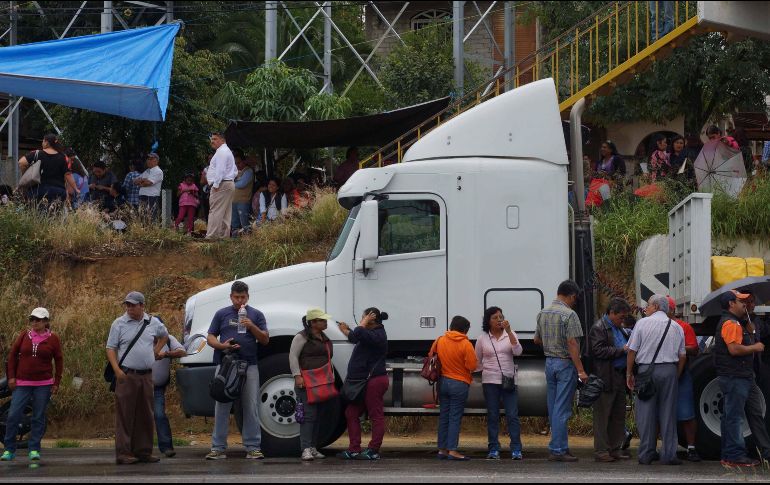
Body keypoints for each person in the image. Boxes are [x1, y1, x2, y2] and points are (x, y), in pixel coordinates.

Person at [205, 281, 269, 460]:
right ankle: (217, 448)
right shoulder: (221, 313)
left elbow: (265, 340)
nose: (239, 301)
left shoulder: (256, 314)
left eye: (243, 297)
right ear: (231, 296)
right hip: (226, 364)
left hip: (249, 365)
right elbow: (210, 336)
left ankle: (253, 447)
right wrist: (221, 345)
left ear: (248, 296)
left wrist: (251, 326)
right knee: (222, 405)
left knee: (251, 406)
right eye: (236, 297)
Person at [106, 291, 169, 465]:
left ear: (142, 306)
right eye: (127, 304)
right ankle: (124, 453)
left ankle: (143, 451)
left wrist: (155, 351)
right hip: (127, 375)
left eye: (133, 305)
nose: (129, 308)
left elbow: (164, 336)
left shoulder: (153, 322)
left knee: (146, 415)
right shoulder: (118, 324)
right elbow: (110, 348)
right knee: (125, 415)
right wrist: (117, 370)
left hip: (147, 376)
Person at [625, 294, 685, 466]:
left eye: (649, 305)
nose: (646, 308)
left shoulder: (642, 323)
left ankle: (646, 454)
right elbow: (682, 356)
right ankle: (669, 455)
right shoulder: (676, 327)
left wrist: (629, 374)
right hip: (669, 370)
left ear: (657, 307)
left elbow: (631, 351)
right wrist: (676, 374)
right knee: (668, 413)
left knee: (646, 414)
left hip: (646, 372)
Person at [534, 280, 588, 462]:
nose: (575, 302)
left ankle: (559, 447)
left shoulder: (543, 313)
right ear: (572, 296)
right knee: (562, 409)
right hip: (565, 364)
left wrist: (552, 345)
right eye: (575, 299)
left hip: (549, 363)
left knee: (553, 407)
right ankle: (558, 449)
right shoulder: (569, 315)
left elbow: (537, 340)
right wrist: (581, 370)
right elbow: (572, 343)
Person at [713, 290, 768, 466]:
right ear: (731, 304)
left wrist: (750, 334)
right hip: (735, 376)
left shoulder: (738, 323)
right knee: (734, 417)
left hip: (741, 375)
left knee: (748, 414)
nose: (745, 304)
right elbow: (734, 350)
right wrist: (756, 347)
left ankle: (762, 451)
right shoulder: (731, 323)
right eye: (740, 301)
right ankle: (735, 455)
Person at [1, 308, 63, 462]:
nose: (34, 322)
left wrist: (57, 382)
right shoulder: (24, 335)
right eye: (32, 319)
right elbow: (12, 355)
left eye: (38, 320)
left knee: (38, 416)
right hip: (22, 384)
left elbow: (59, 360)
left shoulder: (53, 338)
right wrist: (11, 377)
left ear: (46, 322)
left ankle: (34, 449)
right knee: (13, 415)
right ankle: (9, 449)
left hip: (43, 384)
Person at [337, 308, 389, 461]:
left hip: (374, 381)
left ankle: (373, 450)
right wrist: (346, 330)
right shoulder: (369, 334)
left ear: (371, 319)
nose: (362, 320)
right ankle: (354, 449)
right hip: (364, 382)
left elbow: (360, 332)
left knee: (375, 415)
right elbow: (355, 336)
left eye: (364, 317)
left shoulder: (378, 335)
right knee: (351, 413)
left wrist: (363, 322)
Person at [474, 307, 523, 460]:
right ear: (488, 321)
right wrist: (485, 370)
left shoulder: (510, 334)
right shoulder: (482, 338)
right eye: (495, 317)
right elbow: (477, 361)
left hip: (508, 380)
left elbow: (518, 352)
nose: (499, 320)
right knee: (493, 415)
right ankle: (493, 448)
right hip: (490, 381)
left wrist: (509, 332)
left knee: (512, 415)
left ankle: (516, 448)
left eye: (501, 317)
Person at [290, 308, 337, 461]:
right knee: (309, 416)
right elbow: (293, 357)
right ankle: (305, 449)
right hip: (307, 382)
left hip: (321, 382)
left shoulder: (323, 337)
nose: (325, 322)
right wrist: (297, 376)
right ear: (312, 322)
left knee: (317, 416)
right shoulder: (301, 337)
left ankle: (313, 447)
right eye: (322, 320)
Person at [589, 298, 631, 462]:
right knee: (603, 415)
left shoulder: (617, 328)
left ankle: (614, 448)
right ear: (611, 313)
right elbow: (598, 350)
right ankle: (601, 450)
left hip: (619, 376)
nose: (623, 320)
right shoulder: (599, 328)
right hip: (605, 377)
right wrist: (621, 350)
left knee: (618, 415)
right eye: (621, 317)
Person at [432, 315, 478, 461]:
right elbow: (472, 366)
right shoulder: (466, 344)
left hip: (443, 382)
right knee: (454, 417)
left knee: (444, 416)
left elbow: (431, 356)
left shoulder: (440, 340)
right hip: (459, 383)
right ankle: (453, 451)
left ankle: (442, 449)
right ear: (465, 330)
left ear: (451, 326)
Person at [666, 296, 701, 462]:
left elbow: (694, 349)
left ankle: (691, 448)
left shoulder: (684, 326)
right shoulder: (653, 325)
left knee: (687, 412)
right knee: (659, 412)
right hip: (663, 371)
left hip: (681, 372)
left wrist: (677, 347)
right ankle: (657, 447)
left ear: (671, 310)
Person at [152, 332, 186, 458]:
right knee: (139, 417)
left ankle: (166, 447)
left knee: (160, 415)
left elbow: (183, 352)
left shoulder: (169, 339)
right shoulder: (142, 338)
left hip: (158, 387)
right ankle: (137, 448)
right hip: (140, 385)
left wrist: (166, 354)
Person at [17, 133, 77, 203]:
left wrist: (25, 174)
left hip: (38, 190)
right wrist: (76, 188)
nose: (42, 143)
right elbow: (68, 174)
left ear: (46, 142)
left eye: (43, 141)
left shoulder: (37, 153)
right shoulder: (63, 157)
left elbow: (21, 162)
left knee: (37, 212)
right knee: (55, 213)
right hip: (58, 192)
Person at [205, 133, 237, 239]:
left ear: (222, 140)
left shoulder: (222, 152)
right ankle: (223, 237)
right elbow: (235, 171)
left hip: (221, 183)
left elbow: (221, 170)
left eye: (215, 139)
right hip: (227, 183)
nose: (212, 141)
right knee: (225, 212)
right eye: (211, 139)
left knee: (215, 211)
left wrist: (216, 184)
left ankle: (211, 236)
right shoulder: (226, 151)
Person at [135, 153, 164, 221]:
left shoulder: (158, 171)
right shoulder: (147, 171)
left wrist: (142, 181)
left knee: (150, 218)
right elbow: (135, 181)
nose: (148, 161)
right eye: (148, 159)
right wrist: (143, 180)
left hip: (151, 197)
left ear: (156, 161)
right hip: (143, 196)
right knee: (142, 217)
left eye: (151, 159)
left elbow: (149, 183)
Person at [231, 151, 254, 236]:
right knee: (234, 225)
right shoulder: (236, 172)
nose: (237, 165)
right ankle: (234, 243)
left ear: (244, 161)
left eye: (239, 162)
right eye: (235, 163)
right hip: (233, 201)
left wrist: (232, 183)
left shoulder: (248, 171)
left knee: (245, 224)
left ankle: (247, 244)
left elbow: (242, 184)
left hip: (243, 202)